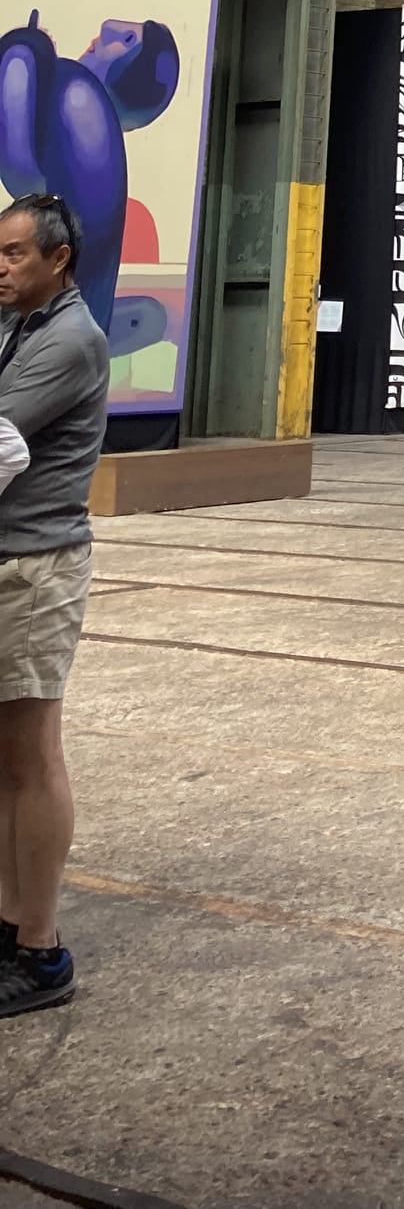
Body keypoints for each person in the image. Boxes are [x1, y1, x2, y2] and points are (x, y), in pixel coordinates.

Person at [0, 192, 110, 1017]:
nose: (0, 268)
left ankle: (40, 950)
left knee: (33, 756)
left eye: (13, 254)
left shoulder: (71, 338)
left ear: (58, 257)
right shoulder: (16, 326)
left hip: (34, 568)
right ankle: (9, 924)